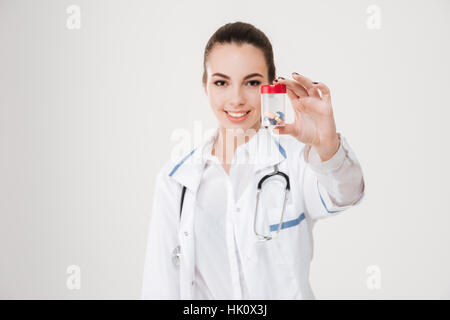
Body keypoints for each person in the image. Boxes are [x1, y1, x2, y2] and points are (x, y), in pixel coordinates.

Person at [141, 21, 365, 300]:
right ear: (205, 85)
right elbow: (159, 287)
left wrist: (328, 145)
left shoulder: (297, 160)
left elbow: (347, 192)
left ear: (271, 87)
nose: (236, 99)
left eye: (252, 82)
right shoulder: (176, 180)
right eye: (221, 82)